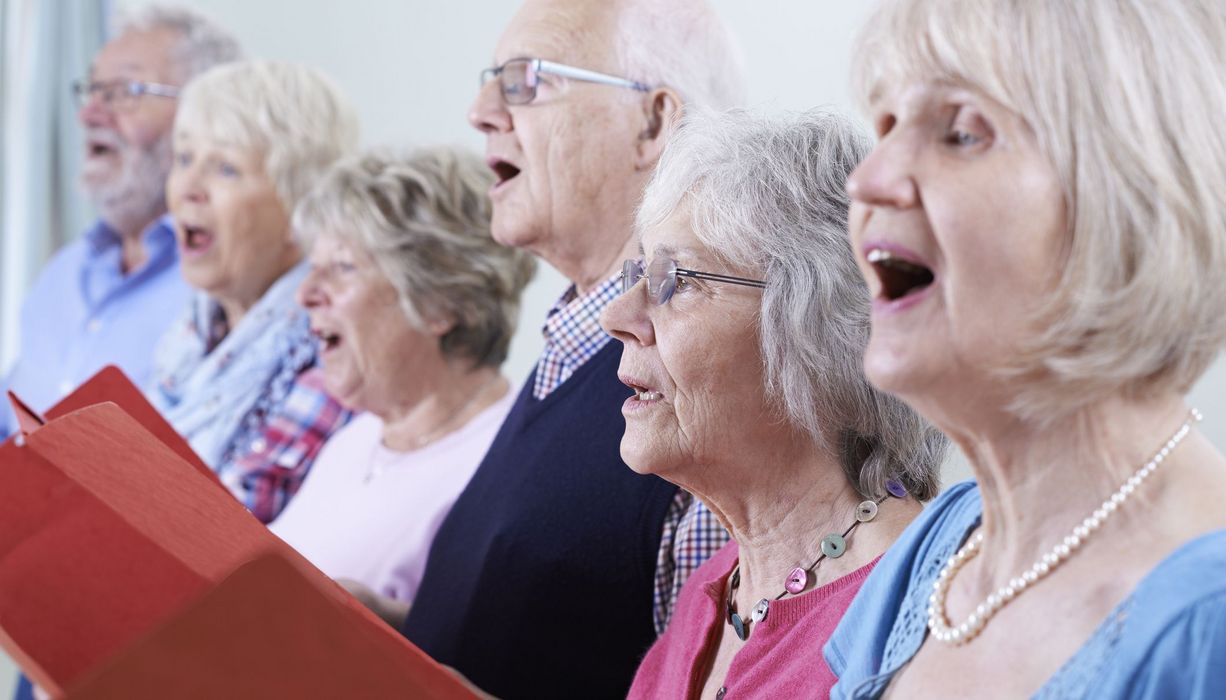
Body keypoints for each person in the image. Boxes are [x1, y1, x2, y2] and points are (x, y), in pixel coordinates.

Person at [826, 0, 1226, 697]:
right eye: (885, 124)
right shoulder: (932, 550)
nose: (866, 179)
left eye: (960, 135)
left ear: (1126, 194)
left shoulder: (1207, 628)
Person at [400, 0, 746, 697]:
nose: (480, 110)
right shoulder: (570, 348)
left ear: (651, 122)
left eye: (526, 80)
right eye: (492, 78)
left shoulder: (702, 390)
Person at [604, 109, 946, 699]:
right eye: (638, 273)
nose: (617, 318)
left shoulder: (913, 616)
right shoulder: (712, 593)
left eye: (675, 280)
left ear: (816, 330)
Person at [269, 148, 536, 628]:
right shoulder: (355, 440)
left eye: (343, 268)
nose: (305, 293)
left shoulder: (506, 464)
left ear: (440, 302)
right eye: (314, 266)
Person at [0, 6, 239, 436]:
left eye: (124, 90)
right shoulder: (62, 274)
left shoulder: (229, 283)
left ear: (206, 116)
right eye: (91, 89)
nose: (89, 113)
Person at [150, 60, 358, 523]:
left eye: (225, 168)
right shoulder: (187, 334)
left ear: (300, 206)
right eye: (183, 159)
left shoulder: (328, 347)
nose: (188, 187)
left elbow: (229, 528)